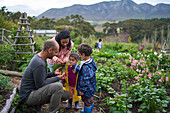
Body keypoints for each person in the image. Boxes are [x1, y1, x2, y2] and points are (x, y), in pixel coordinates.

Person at [19, 39, 70, 113]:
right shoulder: (39, 63)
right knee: (58, 86)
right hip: (28, 96)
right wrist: (57, 78)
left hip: (31, 92)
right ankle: (52, 111)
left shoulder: (39, 58)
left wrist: (54, 73)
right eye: (55, 52)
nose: (56, 54)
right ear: (49, 50)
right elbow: (41, 84)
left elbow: (40, 76)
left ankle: (38, 106)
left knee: (65, 95)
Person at [71, 44, 97, 113]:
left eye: (79, 54)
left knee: (87, 102)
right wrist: (76, 68)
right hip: (91, 87)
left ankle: (87, 111)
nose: (79, 55)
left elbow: (85, 80)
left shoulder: (86, 67)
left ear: (83, 54)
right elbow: (83, 71)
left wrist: (82, 90)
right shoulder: (90, 60)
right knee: (89, 100)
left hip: (87, 89)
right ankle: (88, 110)